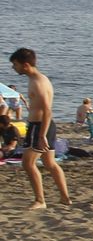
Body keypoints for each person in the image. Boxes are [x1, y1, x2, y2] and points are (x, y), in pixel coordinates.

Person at [9, 48, 71, 209]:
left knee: (27, 164)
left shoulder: (38, 82)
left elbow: (47, 109)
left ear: (26, 65)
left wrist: (42, 134)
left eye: (15, 64)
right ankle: (65, 198)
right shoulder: (36, 79)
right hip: (42, 126)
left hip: (40, 127)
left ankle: (40, 200)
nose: (13, 68)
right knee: (49, 163)